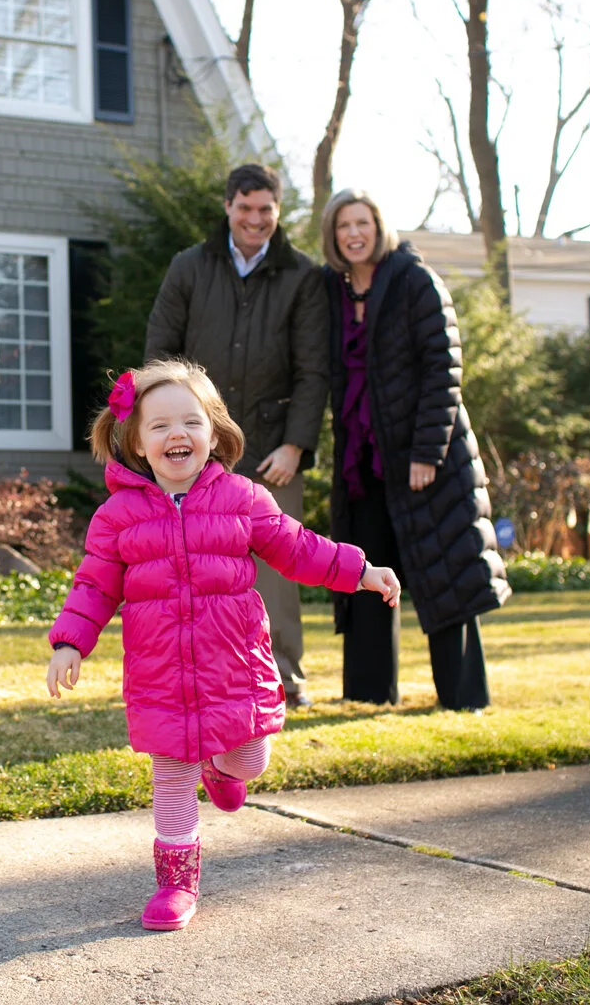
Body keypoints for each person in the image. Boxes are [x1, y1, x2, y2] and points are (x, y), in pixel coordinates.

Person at [45, 359, 399, 931]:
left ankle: (223, 764)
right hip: (161, 672)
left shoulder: (243, 498)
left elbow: (299, 549)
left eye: (190, 422)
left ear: (213, 431)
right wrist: (70, 644)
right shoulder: (116, 518)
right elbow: (94, 586)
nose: (175, 435)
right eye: (158, 426)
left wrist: (359, 571)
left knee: (250, 760)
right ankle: (176, 884)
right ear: (135, 440)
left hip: (232, 667)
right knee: (171, 772)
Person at [145, 163, 329, 708]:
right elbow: (158, 356)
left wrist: (296, 444)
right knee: (194, 571)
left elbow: (314, 370)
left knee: (278, 566)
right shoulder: (189, 267)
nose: (255, 219)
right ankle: (201, 681)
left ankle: (285, 678)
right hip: (195, 448)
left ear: (277, 210)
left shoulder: (302, 276)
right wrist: (166, 437)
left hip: (273, 448)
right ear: (228, 207)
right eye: (245, 208)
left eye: (265, 210)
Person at [319, 189, 509, 709]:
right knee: (365, 572)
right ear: (333, 236)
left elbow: (443, 370)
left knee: (444, 571)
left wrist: (428, 452)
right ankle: (368, 693)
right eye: (343, 226)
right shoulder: (330, 290)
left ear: (379, 226)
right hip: (361, 461)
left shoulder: (414, 280)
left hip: (425, 460)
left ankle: (464, 697)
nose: (354, 233)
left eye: (362, 222)